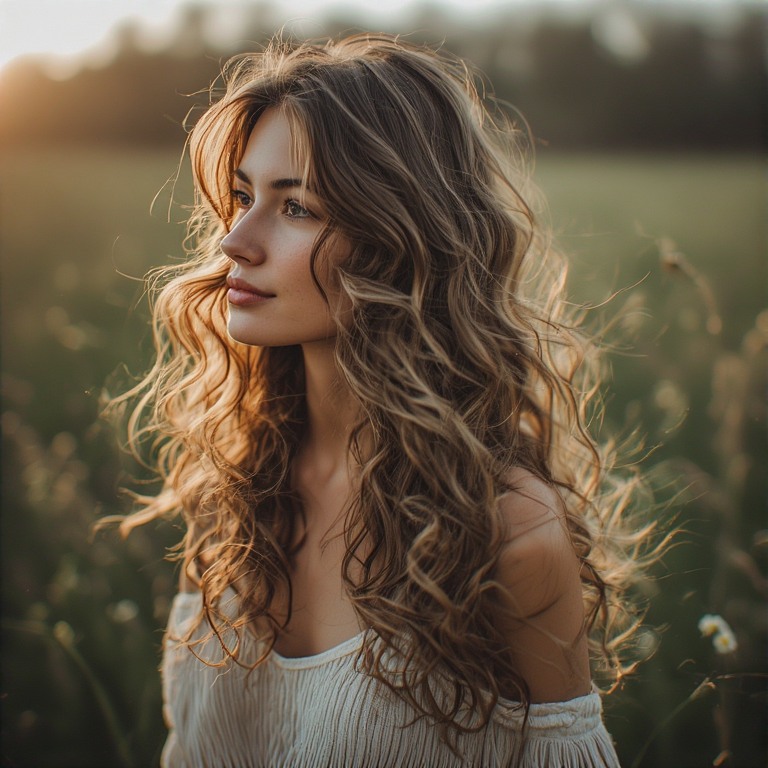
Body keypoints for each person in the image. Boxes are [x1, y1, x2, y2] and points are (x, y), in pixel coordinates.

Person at [112, 32, 653, 767]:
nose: (236, 240)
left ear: (402, 239)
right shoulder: (231, 491)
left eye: (295, 207)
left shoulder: (506, 531)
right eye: (241, 197)